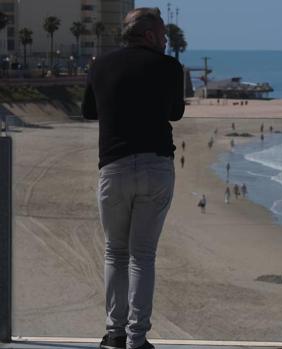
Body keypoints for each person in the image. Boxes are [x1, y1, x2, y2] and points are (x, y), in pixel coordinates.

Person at [82, 7, 184, 349]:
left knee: (115, 252)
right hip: (156, 167)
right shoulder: (169, 67)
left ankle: (114, 335)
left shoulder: (100, 66)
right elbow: (176, 113)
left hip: (115, 166)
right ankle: (138, 339)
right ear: (151, 35)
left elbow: (88, 111)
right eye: (164, 35)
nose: (167, 41)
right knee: (143, 255)